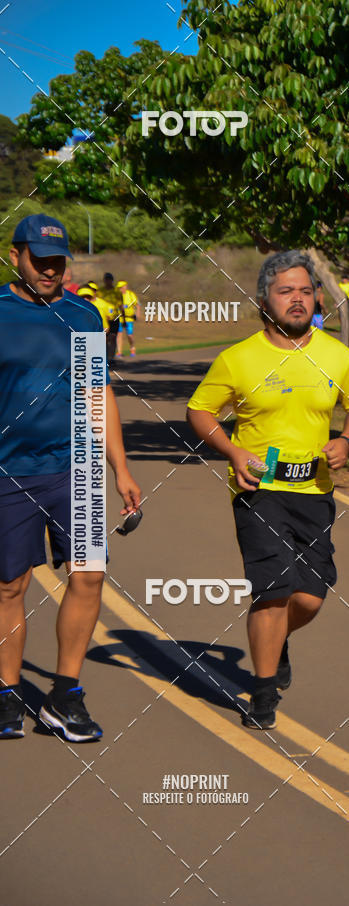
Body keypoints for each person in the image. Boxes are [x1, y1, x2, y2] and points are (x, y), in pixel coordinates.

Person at [187, 250, 349, 730]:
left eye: (305, 291)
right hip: (258, 489)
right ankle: (263, 692)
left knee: (309, 596)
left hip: (315, 489)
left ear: (316, 299)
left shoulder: (335, 353)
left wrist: (347, 440)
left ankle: (275, 641)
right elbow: (200, 411)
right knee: (272, 591)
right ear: (264, 301)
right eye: (285, 291)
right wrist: (231, 452)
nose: (297, 299)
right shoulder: (239, 358)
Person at [0, 214, 141, 741]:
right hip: (9, 472)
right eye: (39, 260)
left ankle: (65, 694)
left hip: (75, 470)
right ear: (15, 256)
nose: (50, 270)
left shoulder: (83, 316)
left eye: (58, 262)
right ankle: (7, 695)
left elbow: (96, 393)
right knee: (9, 587)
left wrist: (120, 469)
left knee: (88, 576)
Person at [77, 283, 120, 364]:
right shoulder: (75, 307)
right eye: (83, 297)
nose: (85, 299)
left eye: (88, 297)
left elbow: (110, 318)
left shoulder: (102, 305)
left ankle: (107, 361)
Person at [116, 280, 140, 357]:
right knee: (119, 334)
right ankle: (119, 352)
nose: (120, 289)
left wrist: (138, 314)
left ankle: (132, 348)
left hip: (129, 318)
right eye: (119, 288)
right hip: (120, 318)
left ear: (125, 287)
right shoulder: (117, 295)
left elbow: (137, 305)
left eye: (121, 287)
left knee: (129, 335)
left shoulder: (130, 294)